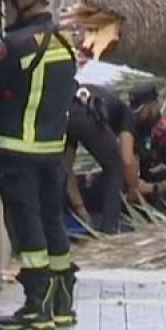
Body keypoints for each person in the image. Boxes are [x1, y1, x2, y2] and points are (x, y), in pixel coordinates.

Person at [0, 0, 78, 330]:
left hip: (17, 151)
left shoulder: (14, 46)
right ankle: (62, 302)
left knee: (28, 229)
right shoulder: (63, 43)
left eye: (8, 0)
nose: (6, 8)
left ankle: (36, 304)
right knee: (52, 222)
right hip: (51, 153)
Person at [64, 83, 138, 237]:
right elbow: (127, 160)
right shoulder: (125, 113)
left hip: (65, 111)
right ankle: (109, 230)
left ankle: (79, 219)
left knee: (62, 170)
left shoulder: (96, 98)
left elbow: (67, 169)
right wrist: (134, 193)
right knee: (115, 167)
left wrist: (82, 211)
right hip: (87, 112)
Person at [127, 83, 166, 210]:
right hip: (142, 202)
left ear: (153, 106)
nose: (137, 116)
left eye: (141, 111)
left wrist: (151, 188)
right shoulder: (137, 131)